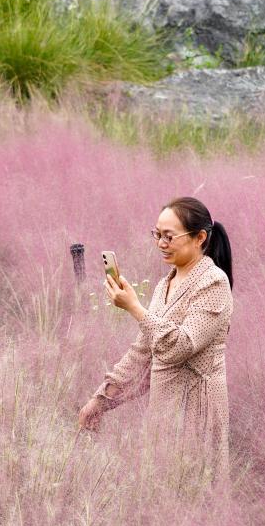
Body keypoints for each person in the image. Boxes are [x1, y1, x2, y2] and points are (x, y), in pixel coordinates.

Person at [78, 197, 233, 487]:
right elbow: (141, 354)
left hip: (197, 415)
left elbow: (181, 346)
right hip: (163, 416)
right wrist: (99, 402)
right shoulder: (165, 284)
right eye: (157, 234)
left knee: (197, 498)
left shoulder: (213, 282)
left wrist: (135, 308)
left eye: (169, 236)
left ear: (200, 237)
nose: (161, 243)